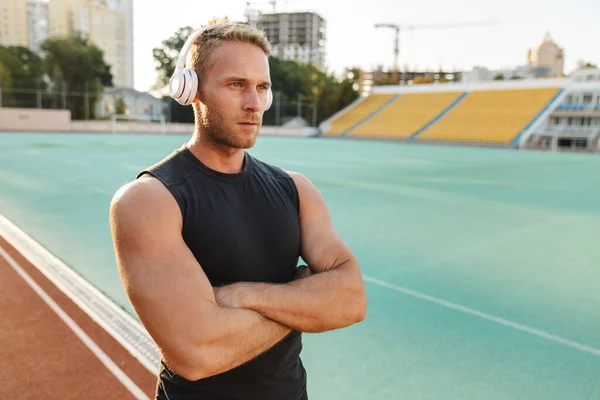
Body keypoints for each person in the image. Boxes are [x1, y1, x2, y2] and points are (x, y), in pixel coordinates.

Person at [109, 17, 367, 400]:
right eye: (236, 85)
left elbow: (351, 300)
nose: (253, 103)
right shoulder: (148, 200)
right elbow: (196, 353)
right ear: (191, 89)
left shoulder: (296, 190)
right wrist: (302, 298)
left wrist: (243, 296)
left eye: (262, 88)